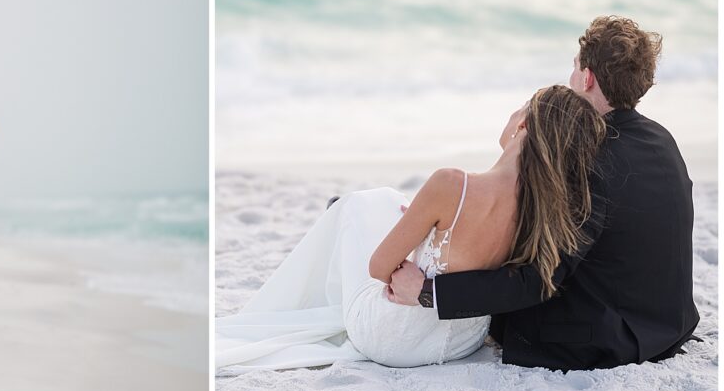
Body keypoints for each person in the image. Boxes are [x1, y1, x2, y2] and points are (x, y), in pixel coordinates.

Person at [216, 84, 605, 372]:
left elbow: (379, 269)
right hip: (462, 342)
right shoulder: (548, 210)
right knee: (387, 201)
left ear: (522, 125)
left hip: (394, 339)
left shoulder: (452, 184)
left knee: (357, 205)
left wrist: (413, 245)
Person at [390, 16, 700, 371]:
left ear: (586, 78)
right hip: (667, 324)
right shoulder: (661, 139)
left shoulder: (590, 158)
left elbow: (537, 280)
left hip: (607, 340)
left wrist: (427, 292)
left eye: (574, 68)